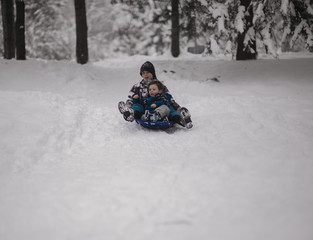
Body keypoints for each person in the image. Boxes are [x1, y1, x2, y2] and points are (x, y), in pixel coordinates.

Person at [118, 61, 192, 128]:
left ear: (152, 73)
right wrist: (129, 104)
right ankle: (130, 113)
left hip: (160, 107)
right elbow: (130, 99)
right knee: (138, 106)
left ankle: (182, 119)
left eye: (147, 72)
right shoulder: (137, 86)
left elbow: (170, 98)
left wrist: (177, 108)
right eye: (143, 73)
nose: (145, 74)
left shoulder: (160, 85)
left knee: (169, 109)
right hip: (145, 109)